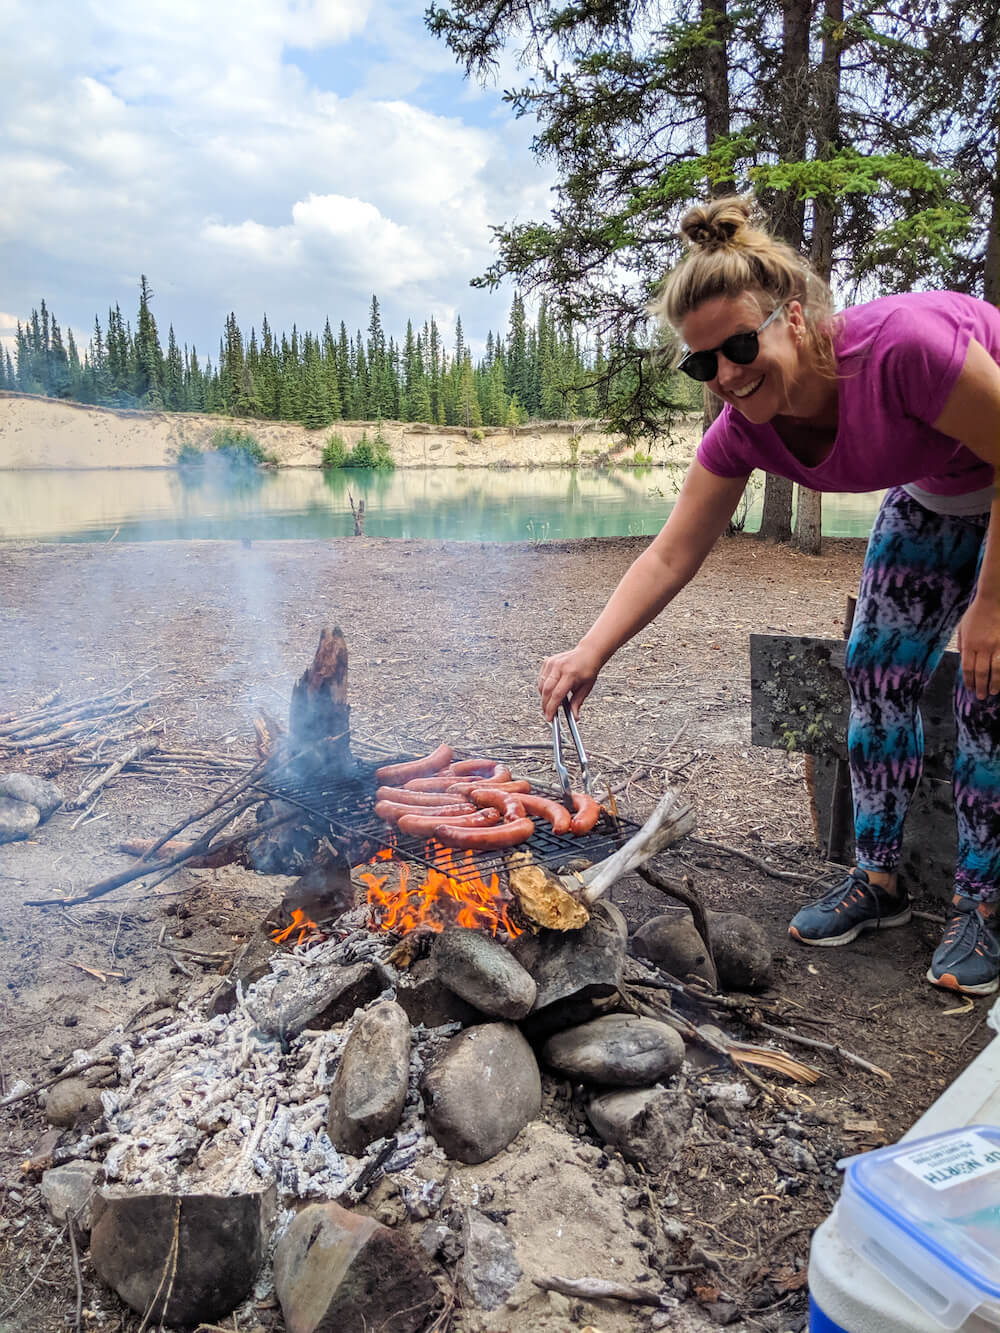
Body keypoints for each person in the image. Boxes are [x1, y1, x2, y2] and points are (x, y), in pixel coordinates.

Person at [538, 195, 1000, 996]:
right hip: (934, 489)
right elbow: (673, 552)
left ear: (794, 316)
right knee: (876, 667)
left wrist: (992, 607)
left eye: (740, 345)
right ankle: (880, 878)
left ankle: (984, 905)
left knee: (989, 683)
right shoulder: (743, 427)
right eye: (701, 362)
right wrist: (590, 648)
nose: (725, 374)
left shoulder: (904, 350)